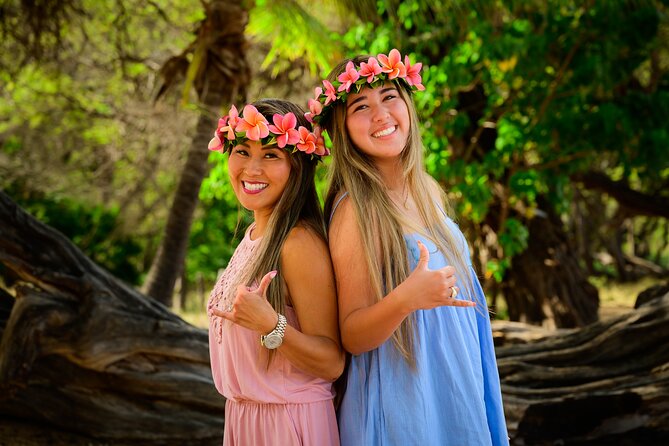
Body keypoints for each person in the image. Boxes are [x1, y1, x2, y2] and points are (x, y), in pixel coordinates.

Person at [307, 49, 509, 445]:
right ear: (342, 128)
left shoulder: (427, 190)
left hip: (454, 380)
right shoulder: (356, 210)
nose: (380, 114)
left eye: (390, 97)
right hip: (404, 396)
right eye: (361, 106)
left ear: (408, 106)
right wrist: (407, 298)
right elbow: (352, 334)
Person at [206, 98, 344, 445]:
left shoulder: (297, 242)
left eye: (270, 155)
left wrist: (272, 326)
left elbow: (331, 362)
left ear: (297, 167)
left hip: (287, 423)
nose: (252, 169)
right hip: (243, 419)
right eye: (242, 151)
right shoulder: (255, 236)